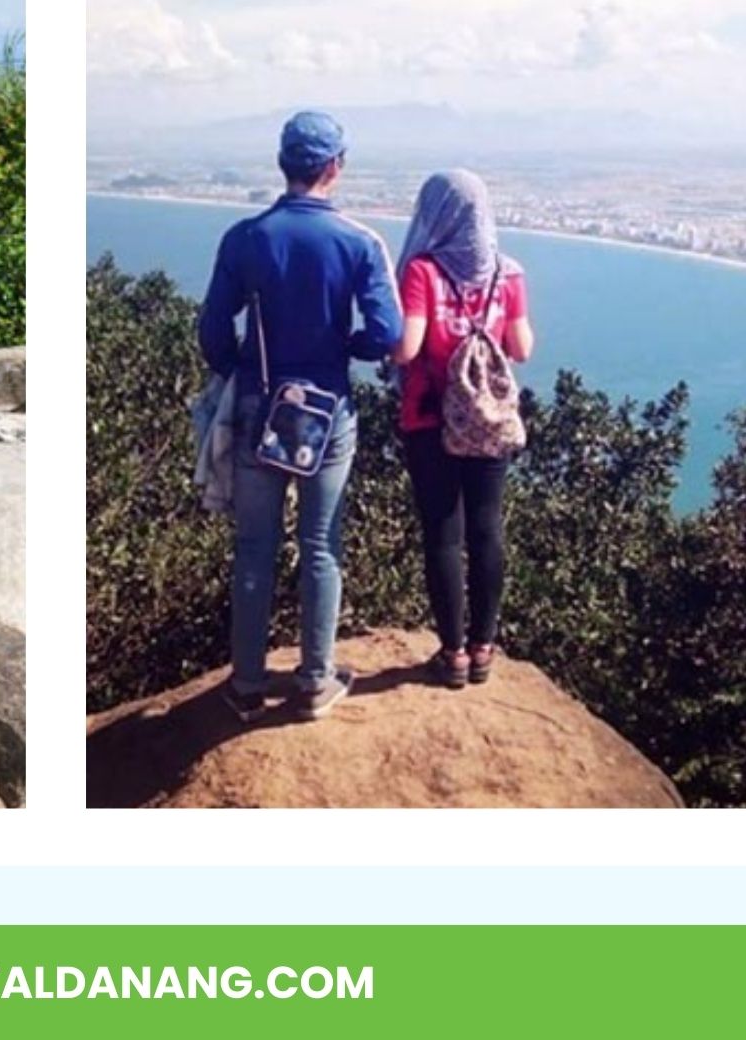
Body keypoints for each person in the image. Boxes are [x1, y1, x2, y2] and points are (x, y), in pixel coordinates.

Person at [198, 112, 403, 722]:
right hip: (327, 412)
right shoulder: (361, 243)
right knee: (320, 545)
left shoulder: (246, 237)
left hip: (261, 406)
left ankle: (247, 684)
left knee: (255, 546)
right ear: (335, 167)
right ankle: (315, 681)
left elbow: (213, 329)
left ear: (283, 163)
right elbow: (387, 333)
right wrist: (348, 348)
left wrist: (240, 368)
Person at [391, 170, 535, 688]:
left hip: (429, 417)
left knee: (443, 534)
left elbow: (408, 348)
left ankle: (451, 653)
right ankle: (483, 647)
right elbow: (521, 349)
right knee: (487, 526)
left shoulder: (423, 272)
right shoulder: (508, 272)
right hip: (488, 421)